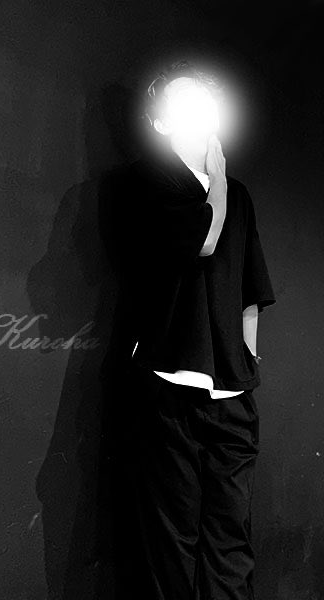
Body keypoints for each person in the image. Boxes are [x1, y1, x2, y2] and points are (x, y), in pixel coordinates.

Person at [98, 59, 276, 600]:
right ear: (159, 122)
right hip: (167, 385)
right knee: (171, 541)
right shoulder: (141, 182)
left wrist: (247, 360)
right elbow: (203, 238)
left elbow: (251, 289)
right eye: (182, 101)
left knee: (230, 538)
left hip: (231, 394)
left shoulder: (237, 195)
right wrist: (216, 177)